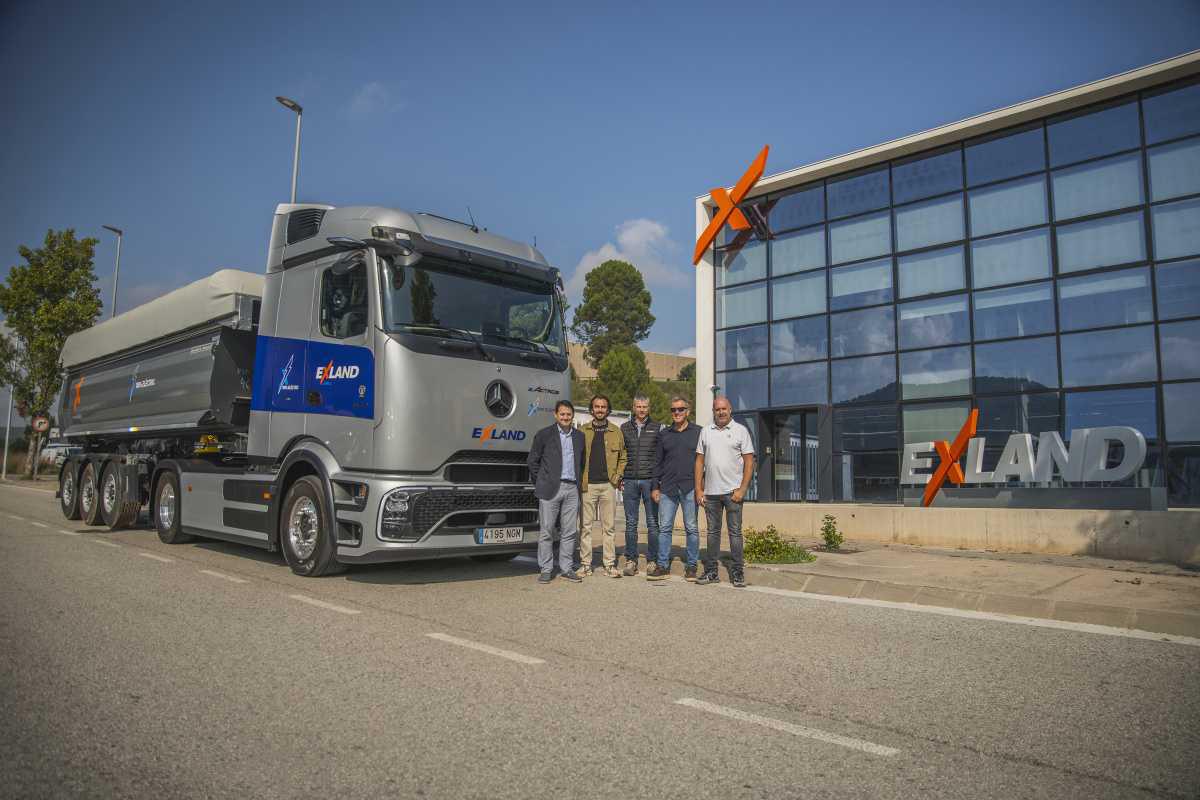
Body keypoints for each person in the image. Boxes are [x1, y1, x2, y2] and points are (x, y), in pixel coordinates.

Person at [695, 395, 755, 588]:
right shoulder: (706, 431)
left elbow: (749, 461)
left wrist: (743, 489)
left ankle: (737, 572)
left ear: (730, 410)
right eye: (717, 409)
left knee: (735, 533)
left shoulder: (740, 431)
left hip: (733, 493)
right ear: (713, 411)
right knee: (712, 533)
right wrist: (698, 489)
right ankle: (711, 572)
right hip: (711, 493)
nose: (720, 412)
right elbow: (699, 462)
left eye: (723, 409)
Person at [526, 400, 586, 584]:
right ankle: (546, 569)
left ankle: (567, 568)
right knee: (547, 531)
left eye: (568, 414)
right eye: (562, 414)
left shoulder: (579, 437)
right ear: (556, 415)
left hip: (571, 488)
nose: (566, 417)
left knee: (569, 531)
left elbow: (581, 462)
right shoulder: (544, 435)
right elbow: (532, 461)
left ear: (572, 415)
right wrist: (541, 481)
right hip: (550, 488)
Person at [648, 395, 701, 582]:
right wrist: (655, 487)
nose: (676, 413)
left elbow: (704, 462)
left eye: (680, 409)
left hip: (690, 488)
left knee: (692, 528)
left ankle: (692, 566)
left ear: (688, 411)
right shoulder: (664, 434)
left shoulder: (698, 432)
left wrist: (701, 488)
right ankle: (662, 566)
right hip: (667, 489)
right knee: (665, 528)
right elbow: (657, 463)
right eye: (673, 410)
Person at [579, 394, 627, 578]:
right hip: (588, 486)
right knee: (586, 527)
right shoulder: (583, 431)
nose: (600, 409)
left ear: (608, 410)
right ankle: (585, 565)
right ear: (592, 410)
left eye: (603, 407)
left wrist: (616, 477)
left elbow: (623, 457)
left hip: (608, 485)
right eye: (597, 406)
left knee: (609, 527)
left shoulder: (616, 431)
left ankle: (609, 564)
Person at [619, 395, 661, 576]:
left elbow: (660, 457)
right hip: (629, 480)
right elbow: (621, 454)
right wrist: (620, 476)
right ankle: (631, 560)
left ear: (649, 408)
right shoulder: (624, 428)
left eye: (645, 406)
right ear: (633, 407)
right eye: (638, 406)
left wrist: (658, 481)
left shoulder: (657, 428)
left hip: (650, 481)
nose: (642, 409)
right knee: (631, 523)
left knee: (652, 523)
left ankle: (652, 560)